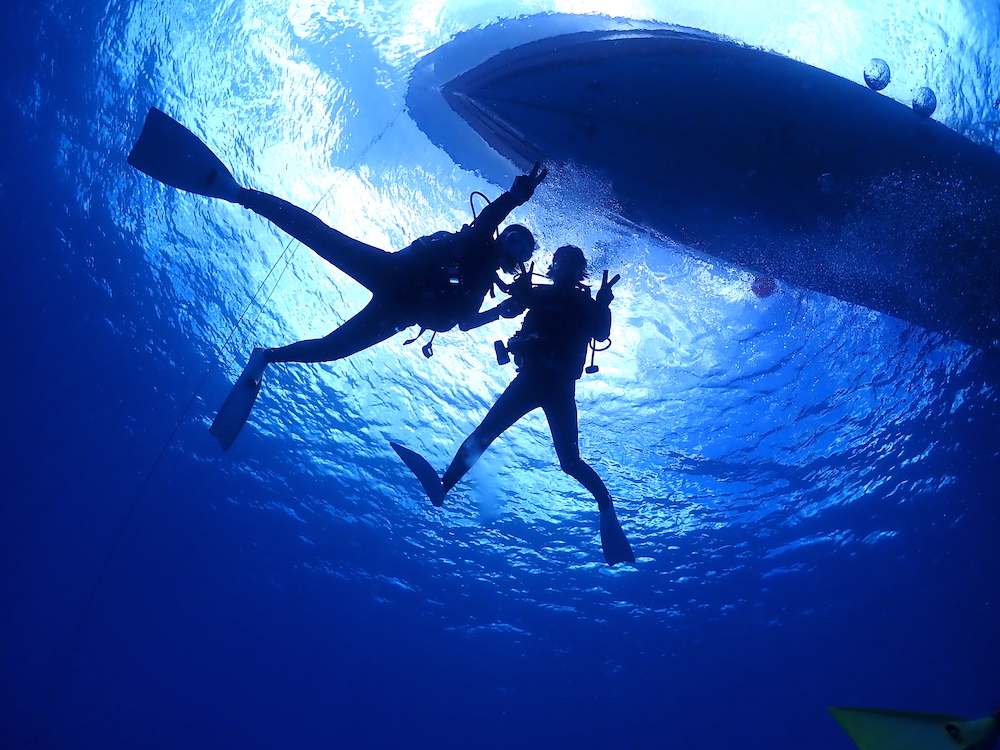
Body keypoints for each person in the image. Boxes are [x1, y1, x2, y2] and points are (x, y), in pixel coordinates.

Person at [125, 107, 548, 448]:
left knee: (334, 350)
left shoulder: (485, 285)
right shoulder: (476, 242)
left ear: (523, 261)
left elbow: (463, 323)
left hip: (398, 312)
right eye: (513, 239)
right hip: (393, 271)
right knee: (318, 235)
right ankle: (239, 194)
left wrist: (500, 312)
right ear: (503, 237)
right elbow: (488, 220)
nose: (514, 249)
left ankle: (268, 356)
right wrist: (513, 198)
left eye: (523, 250)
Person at [391, 245, 636, 566]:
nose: (563, 269)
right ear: (556, 267)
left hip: (555, 385)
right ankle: (443, 487)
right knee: (488, 435)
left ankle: (606, 505)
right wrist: (514, 292)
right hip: (537, 379)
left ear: (578, 272)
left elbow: (601, 332)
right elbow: (492, 313)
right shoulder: (542, 295)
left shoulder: (580, 302)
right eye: (560, 263)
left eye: (569, 265)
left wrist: (603, 305)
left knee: (566, 461)